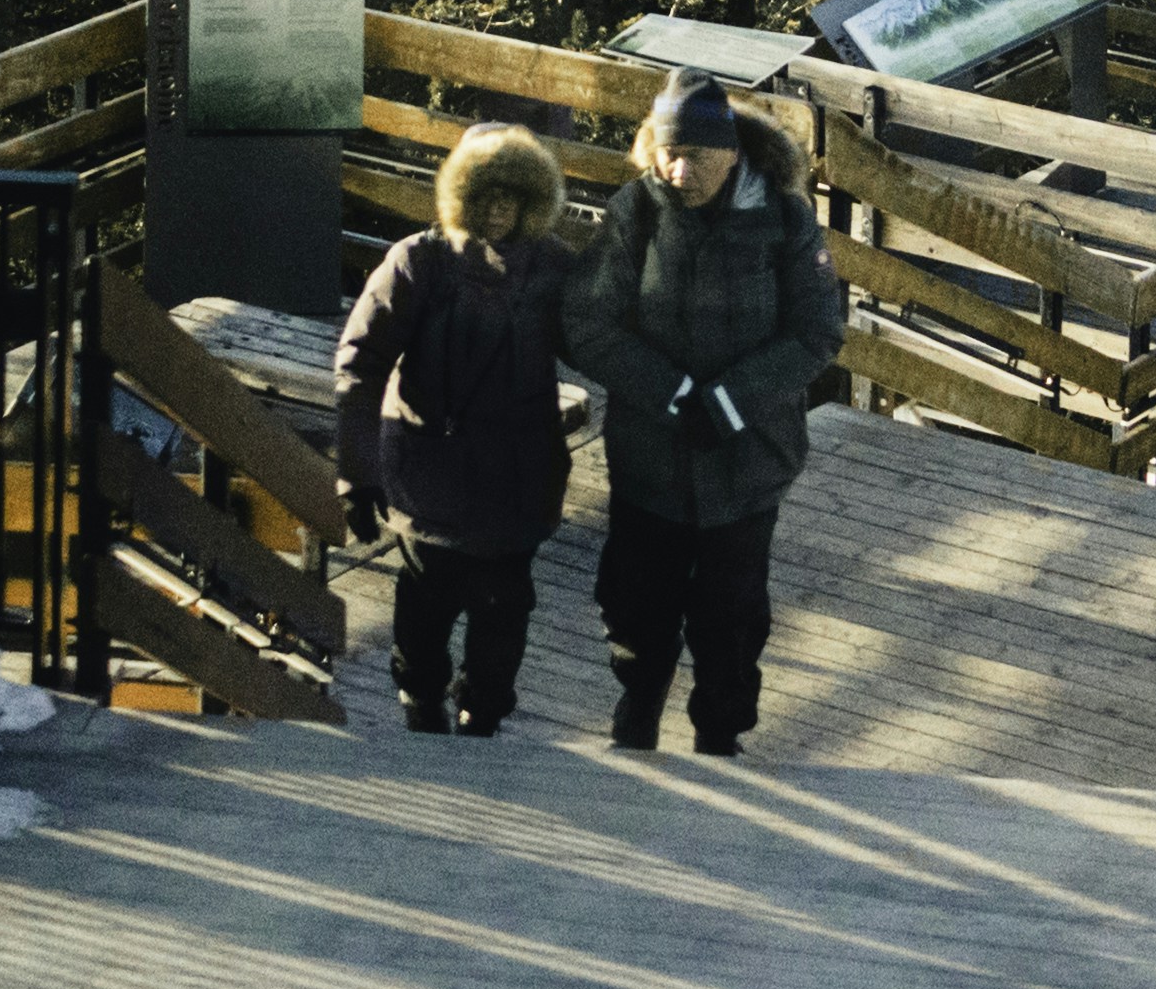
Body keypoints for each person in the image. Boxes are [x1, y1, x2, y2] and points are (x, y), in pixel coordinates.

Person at [564, 69, 849, 753]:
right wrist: (671, 392)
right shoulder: (636, 212)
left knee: (733, 618)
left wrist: (726, 401)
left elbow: (817, 333)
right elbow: (588, 323)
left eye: (695, 156)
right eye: (668, 154)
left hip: (748, 464)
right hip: (650, 461)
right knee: (636, 605)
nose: (679, 171)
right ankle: (638, 711)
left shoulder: (784, 221)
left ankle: (720, 737)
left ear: (731, 152)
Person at [328, 124, 579, 736]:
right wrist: (357, 476)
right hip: (430, 476)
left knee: (505, 611)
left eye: (512, 197)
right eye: (485, 195)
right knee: (424, 606)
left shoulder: (553, 268)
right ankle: (421, 706)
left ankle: (482, 716)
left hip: (518, 481)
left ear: (532, 201)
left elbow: (603, 344)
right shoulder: (419, 262)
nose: (498, 210)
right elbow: (361, 365)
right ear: (462, 194)